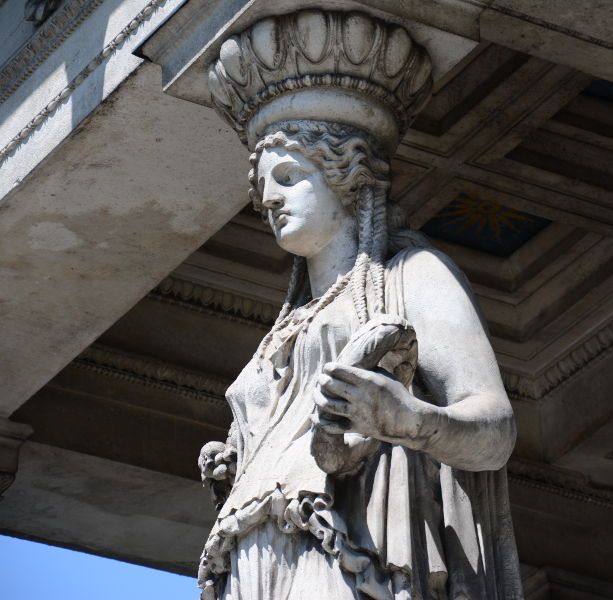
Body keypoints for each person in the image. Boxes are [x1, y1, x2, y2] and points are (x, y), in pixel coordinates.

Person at [196, 10, 522, 600]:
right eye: (262, 184)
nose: (268, 198)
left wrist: (411, 420)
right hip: (256, 556)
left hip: (348, 545)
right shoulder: (283, 328)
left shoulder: (410, 277)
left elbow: (495, 429)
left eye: (290, 176)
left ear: (344, 175)